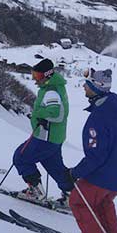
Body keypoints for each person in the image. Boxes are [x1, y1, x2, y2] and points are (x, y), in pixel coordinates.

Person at [66, 68, 117, 233]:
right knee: (103, 203)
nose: (84, 87)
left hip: (104, 173)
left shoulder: (99, 117)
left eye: (88, 84)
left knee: (78, 201)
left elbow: (96, 155)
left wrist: (75, 173)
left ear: (97, 87)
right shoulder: (114, 108)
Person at [12, 58, 72, 204]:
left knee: (20, 158)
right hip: (54, 138)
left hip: (45, 136)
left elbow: (57, 113)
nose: (35, 80)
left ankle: (35, 192)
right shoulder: (54, 87)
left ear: (47, 75)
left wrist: (39, 115)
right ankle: (72, 197)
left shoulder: (51, 91)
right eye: (33, 75)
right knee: (55, 167)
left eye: (37, 76)